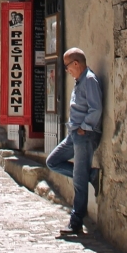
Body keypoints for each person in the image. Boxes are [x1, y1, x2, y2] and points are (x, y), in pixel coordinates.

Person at [45, 47, 102, 236]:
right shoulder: (80, 81)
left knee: (78, 181)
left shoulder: (89, 80)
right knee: (52, 162)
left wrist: (84, 127)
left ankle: (76, 222)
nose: (67, 70)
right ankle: (90, 175)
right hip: (74, 135)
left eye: (68, 66)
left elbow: (96, 109)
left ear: (76, 64)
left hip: (84, 135)